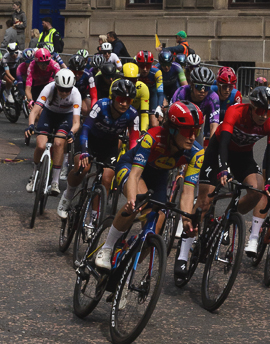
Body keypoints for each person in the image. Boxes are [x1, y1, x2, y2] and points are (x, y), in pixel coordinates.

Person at [95, 100, 205, 271]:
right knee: (140, 202)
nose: (192, 137)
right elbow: (135, 175)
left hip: (158, 176)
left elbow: (188, 191)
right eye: (187, 131)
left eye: (196, 131)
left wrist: (186, 219)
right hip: (131, 167)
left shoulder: (196, 154)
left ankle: (127, 270)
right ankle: (106, 248)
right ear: (173, 129)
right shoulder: (153, 137)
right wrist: (132, 200)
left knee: (156, 225)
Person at [192, 85, 270, 259]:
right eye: (261, 110)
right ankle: (185, 247)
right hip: (218, 150)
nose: (264, 116)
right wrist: (223, 169)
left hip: (243, 155)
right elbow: (223, 143)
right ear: (252, 106)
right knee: (205, 201)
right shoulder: (236, 111)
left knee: (257, 189)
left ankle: (227, 218)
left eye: (268, 112)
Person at [59, 76, 140, 219]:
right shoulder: (101, 106)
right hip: (89, 139)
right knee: (82, 168)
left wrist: (135, 162)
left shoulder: (133, 114)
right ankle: (68, 195)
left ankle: (95, 217)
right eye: (121, 99)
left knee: (108, 179)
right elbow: (85, 129)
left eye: (129, 100)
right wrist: (84, 151)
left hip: (109, 145)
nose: (124, 104)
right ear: (113, 97)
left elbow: (133, 142)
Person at [25, 69, 82, 197]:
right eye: (61, 89)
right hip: (48, 115)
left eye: (67, 90)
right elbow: (34, 111)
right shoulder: (48, 89)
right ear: (56, 85)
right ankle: (34, 176)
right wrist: (30, 126)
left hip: (65, 117)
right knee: (40, 145)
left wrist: (72, 132)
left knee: (58, 143)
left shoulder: (76, 94)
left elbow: (76, 122)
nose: (64, 92)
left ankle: (55, 182)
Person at [170, 64, 221, 140]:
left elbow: (214, 125)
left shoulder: (213, 97)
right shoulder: (181, 92)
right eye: (199, 87)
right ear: (192, 85)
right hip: (180, 125)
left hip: (197, 125)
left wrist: (212, 147)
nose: (202, 91)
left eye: (206, 88)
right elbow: (171, 118)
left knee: (199, 150)